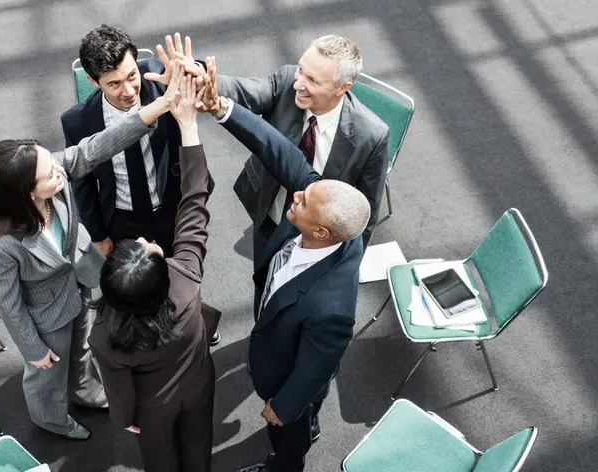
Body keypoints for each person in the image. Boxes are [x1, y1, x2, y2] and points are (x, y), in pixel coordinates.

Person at [0, 67, 182, 440]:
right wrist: (32, 348)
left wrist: (158, 108)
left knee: (83, 349)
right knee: (48, 375)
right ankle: (53, 420)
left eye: (53, 161)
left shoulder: (52, 172)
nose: (60, 170)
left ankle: (86, 392)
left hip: (81, 283)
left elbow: (99, 145)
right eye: (49, 174)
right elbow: (8, 304)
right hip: (45, 317)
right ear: (26, 192)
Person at [201, 58, 371, 472]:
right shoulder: (319, 204)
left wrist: (284, 405)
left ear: (322, 233)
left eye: (300, 202)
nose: (294, 195)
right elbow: (275, 147)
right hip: (281, 335)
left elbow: (316, 367)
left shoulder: (332, 309)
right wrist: (220, 107)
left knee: (288, 432)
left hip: (285, 382)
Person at [88, 72, 216, 472]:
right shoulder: (186, 278)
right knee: (198, 448)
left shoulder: (105, 336)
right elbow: (194, 202)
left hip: (153, 408)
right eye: (148, 250)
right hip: (198, 389)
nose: (148, 241)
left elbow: (120, 395)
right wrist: (190, 126)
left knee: (160, 462)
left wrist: (127, 420)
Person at [62, 25, 221, 345]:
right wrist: (99, 235)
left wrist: (197, 71)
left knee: (185, 273)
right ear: (93, 81)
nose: (128, 90)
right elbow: (81, 182)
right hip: (123, 219)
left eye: (131, 75)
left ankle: (197, 320)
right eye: (114, 83)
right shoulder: (78, 121)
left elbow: (196, 71)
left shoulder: (160, 77)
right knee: (136, 285)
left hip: (174, 205)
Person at [211, 35, 387, 262]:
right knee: (262, 276)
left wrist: (345, 265)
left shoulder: (371, 137)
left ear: (343, 87)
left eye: (312, 80)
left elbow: (365, 215)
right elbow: (245, 90)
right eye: (301, 70)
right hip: (268, 215)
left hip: (315, 239)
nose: (298, 84)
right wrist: (202, 77)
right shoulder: (286, 82)